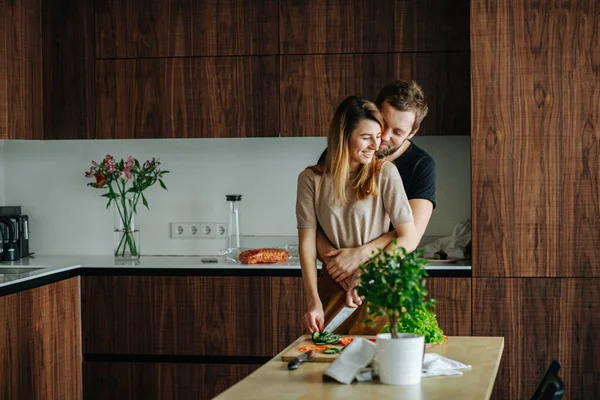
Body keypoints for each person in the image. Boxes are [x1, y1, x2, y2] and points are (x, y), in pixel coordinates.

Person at [296, 96, 419, 334]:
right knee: (322, 364)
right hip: (333, 287)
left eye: (377, 136)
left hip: (378, 287)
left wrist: (367, 272)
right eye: (366, 137)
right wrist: (313, 302)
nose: (376, 145)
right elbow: (307, 245)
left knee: (381, 366)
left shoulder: (385, 173)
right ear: (343, 137)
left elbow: (409, 238)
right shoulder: (310, 179)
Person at [317, 80, 436, 295]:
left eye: (397, 132)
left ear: (412, 133)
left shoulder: (421, 165)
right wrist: (336, 263)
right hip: (338, 278)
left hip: (391, 279)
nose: (384, 137)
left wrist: (362, 256)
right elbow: (316, 225)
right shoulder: (338, 154)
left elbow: (411, 233)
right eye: (383, 122)